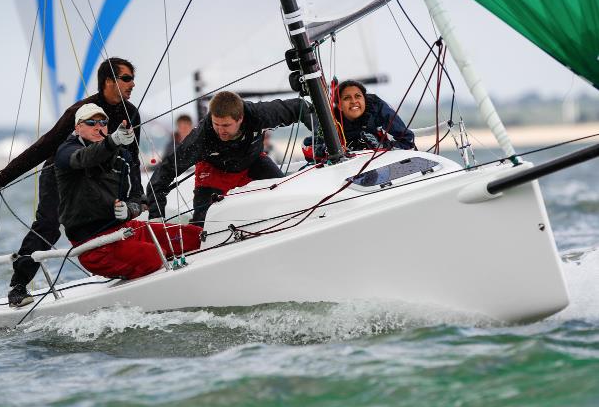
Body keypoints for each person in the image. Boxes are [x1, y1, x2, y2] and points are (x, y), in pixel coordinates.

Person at [0, 57, 141, 307]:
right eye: (126, 79)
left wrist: (138, 202)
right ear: (108, 82)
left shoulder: (131, 112)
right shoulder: (80, 111)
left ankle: (131, 266)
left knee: (118, 215)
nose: (132, 84)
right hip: (61, 172)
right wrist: (3, 177)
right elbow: (44, 145)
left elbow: (131, 158)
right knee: (48, 226)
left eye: (133, 79)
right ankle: (18, 286)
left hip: (101, 174)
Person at [55, 104, 202, 279]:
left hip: (125, 230)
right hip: (94, 245)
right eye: (90, 122)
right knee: (155, 255)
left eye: (102, 122)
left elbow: (138, 199)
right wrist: (113, 141)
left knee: (194, 237)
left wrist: (129, 210)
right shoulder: (66, 152)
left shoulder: (122, 156)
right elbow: (86, 158)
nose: (98, 126)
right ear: (78, 128)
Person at [147, 91, 312, 226]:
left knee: (285, 197)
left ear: (240, 118)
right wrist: (156, 218)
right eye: (216, 124)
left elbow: (301, 107)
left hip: (252, 163)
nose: (220, 131)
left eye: (226, 125)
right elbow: (164, 173)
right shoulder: (202, 136)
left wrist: (322, 142)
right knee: (203, 228)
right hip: (214, 173)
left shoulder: (257, 114)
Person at [303, 80, 415, 160]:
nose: (353, 101)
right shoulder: (332, 119)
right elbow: (307, 146)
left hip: (382, 162)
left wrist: (381, 147)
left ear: (365, 100)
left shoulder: (376, 107)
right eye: (347, 98)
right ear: (340, 105)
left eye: (358, 96)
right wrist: (327, 150)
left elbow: (407, 141)